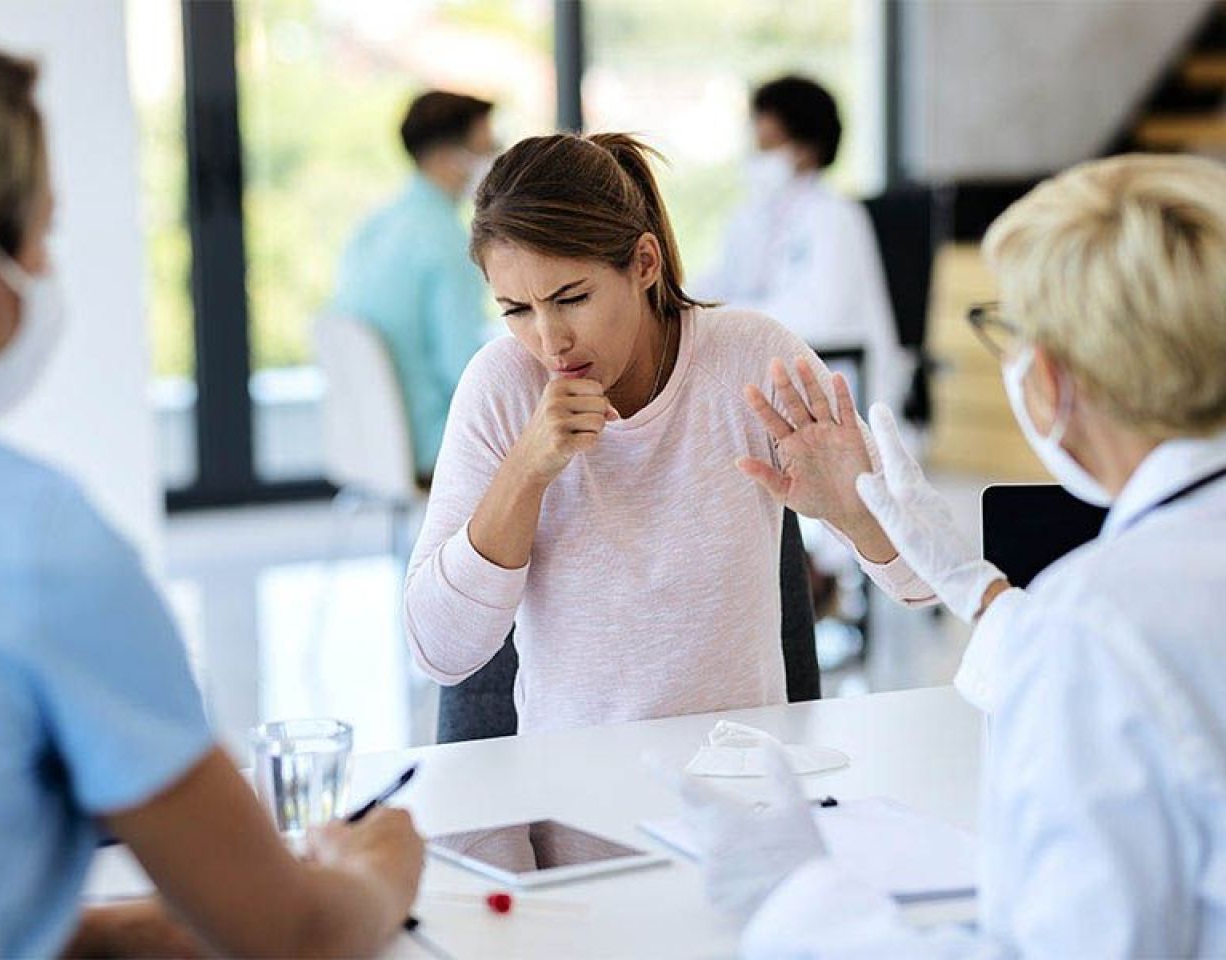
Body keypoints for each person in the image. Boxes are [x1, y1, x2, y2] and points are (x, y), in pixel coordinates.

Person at [0, 30, 423, 957]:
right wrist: (379, 869)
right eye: (41, 238)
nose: (43, 276)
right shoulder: (30, 544)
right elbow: (294, 937)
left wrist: (110, 935)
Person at [684, 154, 1226, 957]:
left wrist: (805, 905)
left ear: (1052, 375)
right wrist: (979, 591)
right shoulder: (1111, 609)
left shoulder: (1097, 616)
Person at [404, 132, 935, 735]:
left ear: (645, 264)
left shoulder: (751, 357)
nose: (550, 341)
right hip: (571, 805)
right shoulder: (502, 386)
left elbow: (929, 583)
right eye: (516, 310)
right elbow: (439, 652)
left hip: (740, 798)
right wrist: (526, 472)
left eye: (571, 298)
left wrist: (856, 512)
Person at [698, 74, 907, 412]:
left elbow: (822, 315)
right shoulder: (750, 218)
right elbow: (719, 281)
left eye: (767, 146)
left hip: (845, 389)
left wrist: (727, 317)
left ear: (804, 150)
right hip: (779, 382)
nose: (755, 157)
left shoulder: (835, 217)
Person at [331, 90, 497, 486]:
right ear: (446, 158)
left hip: (370, 443)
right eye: (486, 148)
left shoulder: (373, 228)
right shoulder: (445, 242)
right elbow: (466, 374)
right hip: (431, 442)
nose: (496, 159)